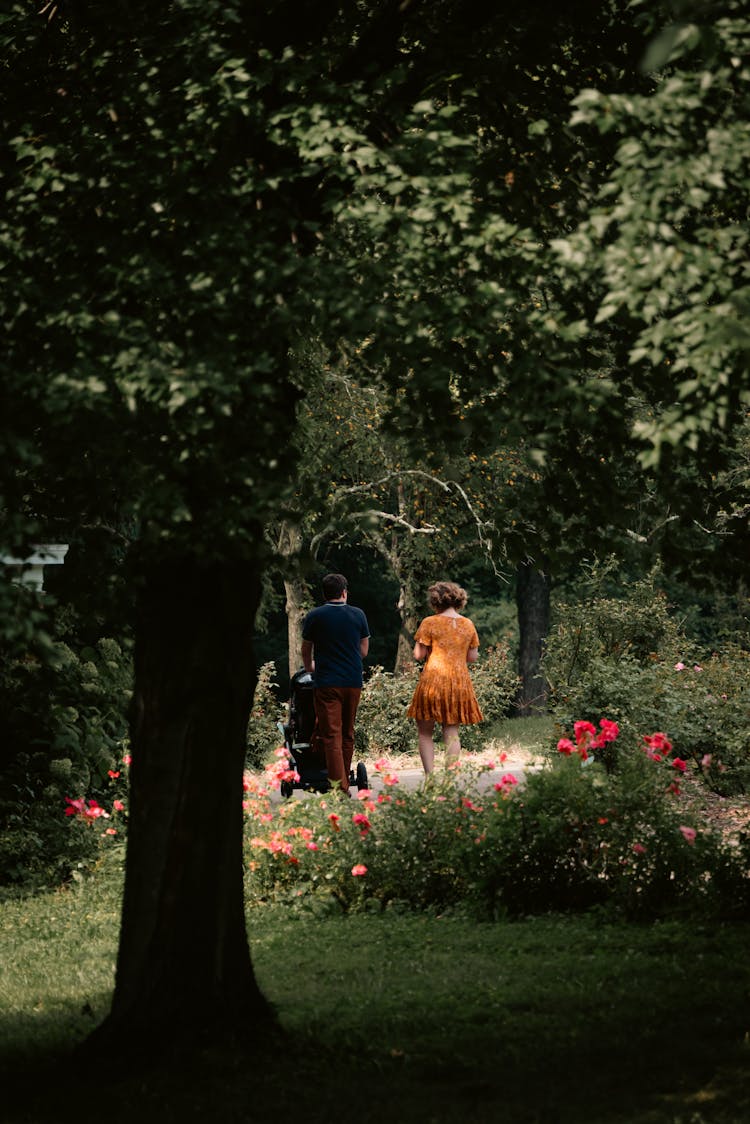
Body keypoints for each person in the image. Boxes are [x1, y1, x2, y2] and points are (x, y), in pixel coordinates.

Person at [301, 573, 370, 796]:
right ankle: (344, 780)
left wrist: (310, 666)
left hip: (326, 682)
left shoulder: (315, 616)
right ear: (344, 592)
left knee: (331, 735)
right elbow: (363, 651)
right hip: (352, 681)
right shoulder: (358, 614)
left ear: (324, 594)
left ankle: (338, 786)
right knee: (348, 732)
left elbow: (306, 648)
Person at [407, 580, 483, 774]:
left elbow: (418, 655)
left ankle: (430, 779)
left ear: (435, 601)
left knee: (425, 732)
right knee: (451, 731)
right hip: (458, 682)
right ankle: (449, 782)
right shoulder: (468, 624)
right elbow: (472, 657)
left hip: (433, 681)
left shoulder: (429, 622)